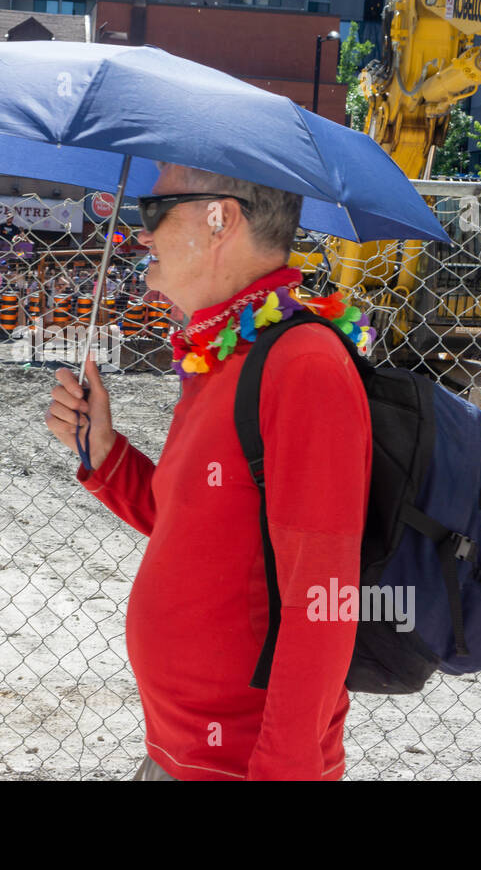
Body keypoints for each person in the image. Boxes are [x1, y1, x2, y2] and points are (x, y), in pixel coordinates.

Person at [44, 162, 372, 781]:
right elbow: (197, 528)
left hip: (241, 767)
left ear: (220, 217)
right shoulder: (223, 354)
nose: (141, 236)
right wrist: (106, 452)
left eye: (153, 211)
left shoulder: (302, 364)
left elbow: (325, 597)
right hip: (178, 749)